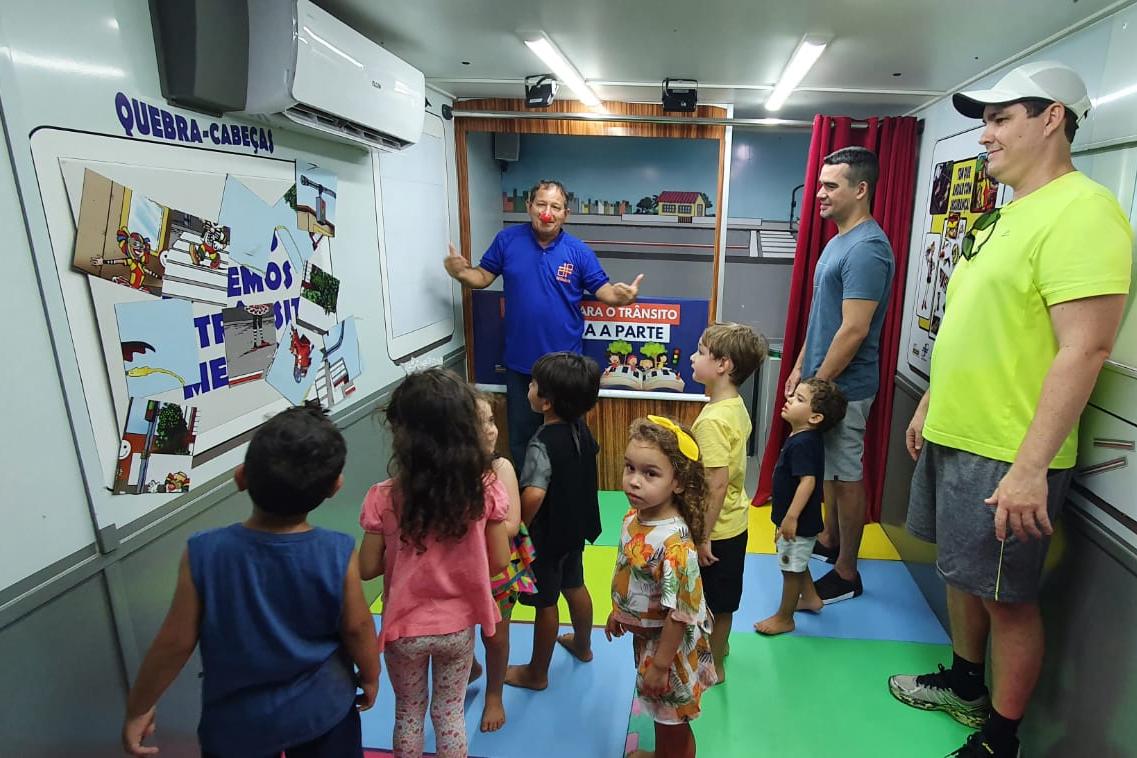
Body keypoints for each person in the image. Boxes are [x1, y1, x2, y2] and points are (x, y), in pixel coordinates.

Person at [887, 61, 1132, 758]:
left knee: (1006, 599)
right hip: (954, 431)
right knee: (961, 574)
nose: (984, 135)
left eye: (999, 119)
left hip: (1007, 449)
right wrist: (930, 401)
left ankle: (1000, 739)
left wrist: (1028, 470)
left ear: (1051, 117)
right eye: (984, 121)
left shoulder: (1085, 212)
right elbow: (970, 322)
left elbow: (1083, 349)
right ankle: (966, 685)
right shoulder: (1002, 216)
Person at [121, 404, 379, 758]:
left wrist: (140, 706)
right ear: (335, 487)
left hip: (236, 725)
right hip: (324, 710)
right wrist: (370, 674)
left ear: (240, 477)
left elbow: (174, 643)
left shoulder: (203, 553)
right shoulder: (337, 551)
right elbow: (358, 627)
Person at [359, 369, 511, 758]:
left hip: (403, 628)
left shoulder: (381, 497)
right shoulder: (485, 491)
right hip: (457, 628)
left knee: (408, 713)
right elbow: (499, 562)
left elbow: (367, 567)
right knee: (449, 715)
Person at [444, 179, 644, 466]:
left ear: (565, 214)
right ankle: (530, 503)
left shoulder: (578, 251)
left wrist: (623, 296)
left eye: (555, 207)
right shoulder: (507, 240)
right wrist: (460, 273)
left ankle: (566, 495)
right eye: (541, 204)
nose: (547, 212)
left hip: (564, 367)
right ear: (529, 207)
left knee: (569, 438)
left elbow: (605, 291)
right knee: (522, 440)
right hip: (520, 365)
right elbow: (481, 277)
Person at [785, 146, 895, 603]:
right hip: (822, 380)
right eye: (820, 184)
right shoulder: (836, 240)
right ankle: (829, 541)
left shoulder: (869, 249)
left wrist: (815, 385)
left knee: (846, 475)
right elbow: (822, 318)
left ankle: (848, 571)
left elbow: (853, 330)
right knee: (828, 470)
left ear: (861, 189)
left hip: (844, 390)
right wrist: (797, 367)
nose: (819, 194)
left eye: (831, 186)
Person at [607, 416, 717, 758]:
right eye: (629, 468)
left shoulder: (675, 544)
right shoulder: (634, 516)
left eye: (650, 473)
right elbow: (631, 572)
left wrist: (659, 665)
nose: (634, 481)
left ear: (678, 482)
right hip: (650, 638)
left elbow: (680, 613)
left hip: (668, 647)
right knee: (662, 712)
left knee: (673, 719)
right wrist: (620, 611)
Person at [505, 351, 603, 691]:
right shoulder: (581, 430)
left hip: (545, 537)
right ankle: (583, 645)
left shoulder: (541, 443)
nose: (528, 388)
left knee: (545, 602)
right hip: (576, 527)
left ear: (545, 402)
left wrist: (518, 525)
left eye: (532, 385)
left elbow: (533, 494)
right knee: (575, 585)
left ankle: (536, 673)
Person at [688, 322, 768, 682]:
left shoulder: (713, 421)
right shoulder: (733, 405)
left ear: (724, 365)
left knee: (717, 604)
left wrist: (703, 536)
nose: (693, 357)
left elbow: (716, 484)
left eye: (701, 352)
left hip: (716, 530)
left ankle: (714, 665)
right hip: (735, 522)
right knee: (723, 598)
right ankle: (721, 647)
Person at [467, 390, 536, 733]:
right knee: (459, 629)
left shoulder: (500, 467)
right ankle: (467, 668)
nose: (491, 431)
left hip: (496, 569)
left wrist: (474, 516)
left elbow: (510, 524)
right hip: (459, 571)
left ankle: (494, 693)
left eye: (491, 421)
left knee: (495, 635)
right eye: (479, 425)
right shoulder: (450, 472)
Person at [754, 378, 847, 635]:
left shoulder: (803, 443)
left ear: (815, 417)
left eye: (799, 400)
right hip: (794, 519)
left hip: (798, 521)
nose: (790, 400)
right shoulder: (804, 437)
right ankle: (812, 598)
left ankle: (785, 617)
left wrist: (791, 518)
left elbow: (808, 482)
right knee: (798, 560)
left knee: (790, 569)